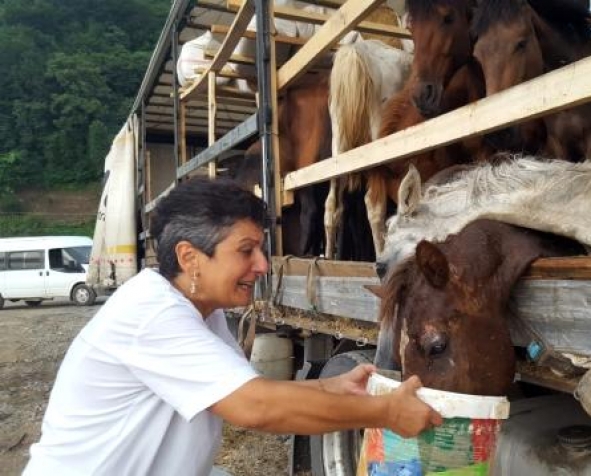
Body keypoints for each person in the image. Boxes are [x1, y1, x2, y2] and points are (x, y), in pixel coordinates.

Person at [23, 178, 441, 476]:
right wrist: (386, 412)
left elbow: (237, 393)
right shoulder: (152, 314)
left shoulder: (203, 309)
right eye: (246, 251)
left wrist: (330, 388)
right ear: (190, 258)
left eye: (260, 249)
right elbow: (255, 408)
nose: (262, 265)